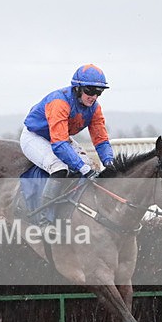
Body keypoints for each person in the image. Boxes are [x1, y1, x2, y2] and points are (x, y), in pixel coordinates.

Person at [20, 63, 114, 224]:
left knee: (92, 167)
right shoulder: (59, 102)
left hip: (59, 137)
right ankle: (43, 219)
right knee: (60, 168)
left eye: (99, 92)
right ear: (77, 88)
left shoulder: (94, 108)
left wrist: (110, 161)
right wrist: (82, 168)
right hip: (35, 137)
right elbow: (59, 144)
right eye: (90, 91)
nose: (94, 96)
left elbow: (101, 139)